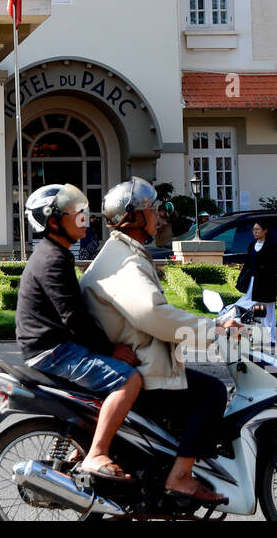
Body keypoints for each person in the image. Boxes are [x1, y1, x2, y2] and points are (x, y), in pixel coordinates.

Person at [81, 177, 245, 505]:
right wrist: (213, 329)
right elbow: (153, 316)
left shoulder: (122, 253)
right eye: (155, 209)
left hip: (136, 361)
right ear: (136, 218)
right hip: (144, 370)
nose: (161, 214)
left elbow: (156, 311)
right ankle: (180, 477)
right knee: (212, 393)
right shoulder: (127, 262)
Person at [15, 183, 143, 482]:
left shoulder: (55, 254)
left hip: (54, 347)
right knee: (129, 379)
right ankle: (97, 452)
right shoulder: (53, 259)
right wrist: (110, 349)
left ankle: (82, 450)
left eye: (83, 211)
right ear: (54, 221)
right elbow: (73, 317)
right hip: (54, 352)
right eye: (75, 213)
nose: (84, 218)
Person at [235, 221, 277, 347]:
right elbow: (247, 264)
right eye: (254, 230)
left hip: (267, 284)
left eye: (258, 229)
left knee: (269, 311)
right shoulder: (252, 246)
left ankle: (271, 337)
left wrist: (264, 271)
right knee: (257, 309)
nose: (255, 232)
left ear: (265, 230)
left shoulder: (272, 247)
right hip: (253, 283)